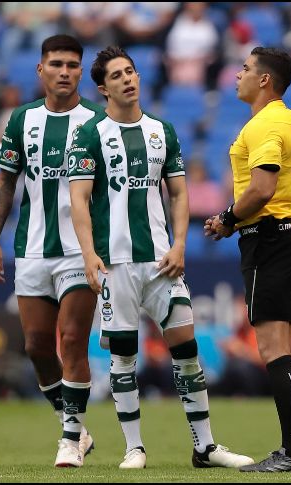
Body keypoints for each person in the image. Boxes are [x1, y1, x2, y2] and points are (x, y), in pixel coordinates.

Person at [68, 45, 253, 470]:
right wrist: (90, 254)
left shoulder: (162, 131)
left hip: (160, 263)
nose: (128, 79)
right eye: (117, 75)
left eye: (131, 71)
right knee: (124, 359)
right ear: (103, 88)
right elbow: (78, 199)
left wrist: (181, 244)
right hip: (115, 266)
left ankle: (205, 447)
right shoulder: (90, 135)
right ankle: (134, 447)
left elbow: (180, 193)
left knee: (185, 347)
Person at [0, 34, 102, 468]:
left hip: (81, 251)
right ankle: (75, 427)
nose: (65, 72)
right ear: (41, 70)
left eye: (73, 65)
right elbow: (5, 183)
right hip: (32, 248)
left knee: (72, 340)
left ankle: (69, 441)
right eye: (56, 64)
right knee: (36, 345)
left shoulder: (97, 121)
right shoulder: (21, 120)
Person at [204, 47, 291, 472]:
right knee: (285, 349)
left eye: (246, 69)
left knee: (273, 350)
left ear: (264, 80)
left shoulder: (267, 124)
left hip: (268, 239)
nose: (238, 74)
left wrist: (227, 219)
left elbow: (263, 188)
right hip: (285, 237)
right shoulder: (285, 119)